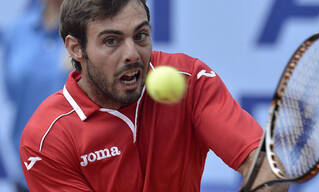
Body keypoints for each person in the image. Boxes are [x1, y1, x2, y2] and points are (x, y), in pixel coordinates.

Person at [19, 0, 290, 191]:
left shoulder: (190, 79)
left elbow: (265, 166)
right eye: (111, 41)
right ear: (76, 48)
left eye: (141, 35)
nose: (132, 54)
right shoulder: (46, 139)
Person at [1, 0, 67, 191]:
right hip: (26, 172)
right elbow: (13, 95)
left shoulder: (91, 33)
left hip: (75, 171)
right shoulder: (15, 31)